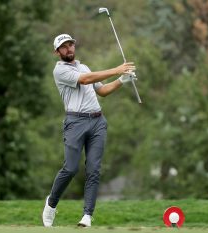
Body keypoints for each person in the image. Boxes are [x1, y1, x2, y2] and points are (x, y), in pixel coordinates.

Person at [42, 34, 136, 227]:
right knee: (71, 168)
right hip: (75, 122)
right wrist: (117, 68)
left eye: (70, 45)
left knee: (94, 170)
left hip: (98, 122)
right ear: (57, 52)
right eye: (64, 47)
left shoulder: (84, 67)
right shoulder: (59, 71)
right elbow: (85, 80)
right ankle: (51, 204)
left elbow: (102, 91)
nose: (68, 49)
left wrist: (122, 79)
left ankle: (87, 216)